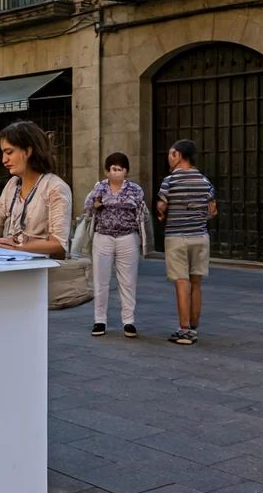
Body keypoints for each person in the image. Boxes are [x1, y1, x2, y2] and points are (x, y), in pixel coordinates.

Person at [0, 121, 72, 260]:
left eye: (9, 152)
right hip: (9, 264)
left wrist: (16, 247)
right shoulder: (12, 184)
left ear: (28, 151)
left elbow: (58, 243)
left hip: (41, 271)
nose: (4, 160)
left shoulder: (55, 187)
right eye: (3, 153)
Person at [157, 139, 217, 346]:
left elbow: (161, 207)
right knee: (196, 283)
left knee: (182, 282)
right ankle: (194, 325)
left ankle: (184, 331)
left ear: (178, 155)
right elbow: (212, 210)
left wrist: (161, 213)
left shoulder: (169, 181)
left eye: (171, 154)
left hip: (176, 237)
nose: (169, 157)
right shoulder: (204, 181)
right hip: (200, 237)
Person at [83, 152, 146, 338]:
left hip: (128, 237)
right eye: (113, 169)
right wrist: (95, 205)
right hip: (103, 237)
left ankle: (128, 321)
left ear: (126, 171)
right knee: (101, 280)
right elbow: (86, 206)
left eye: (120, 169)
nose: (116, 172)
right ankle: (99, 320)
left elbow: (142, 213)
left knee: (128, 280)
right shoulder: (99, 188)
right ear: (107, 171)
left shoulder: (135, 190)